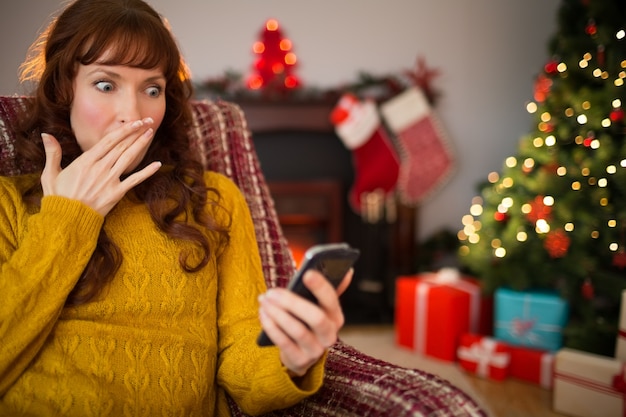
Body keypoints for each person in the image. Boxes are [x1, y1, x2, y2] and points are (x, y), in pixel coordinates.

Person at [0, 0, 352, 415]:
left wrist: (292, 360)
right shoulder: (10, 204)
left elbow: (243, 360)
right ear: (65, 91)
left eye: (152, 89)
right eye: (105, 84)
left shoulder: (213, 200)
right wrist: (69, 218)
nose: (133, 115)